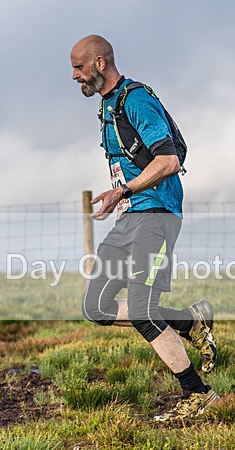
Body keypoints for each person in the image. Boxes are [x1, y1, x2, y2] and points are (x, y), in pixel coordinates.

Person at [70, 35, 219, 422]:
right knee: (96, 307)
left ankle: (197, 393)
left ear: (100, 63)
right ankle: (190, 320)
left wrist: (125, 189)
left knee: (141, 311)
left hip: (156, 216)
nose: (74, 76)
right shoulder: (107, 106)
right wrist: (120, 199)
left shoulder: (135, 100)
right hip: (130, 217)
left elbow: (168, 161)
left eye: (79, 67)